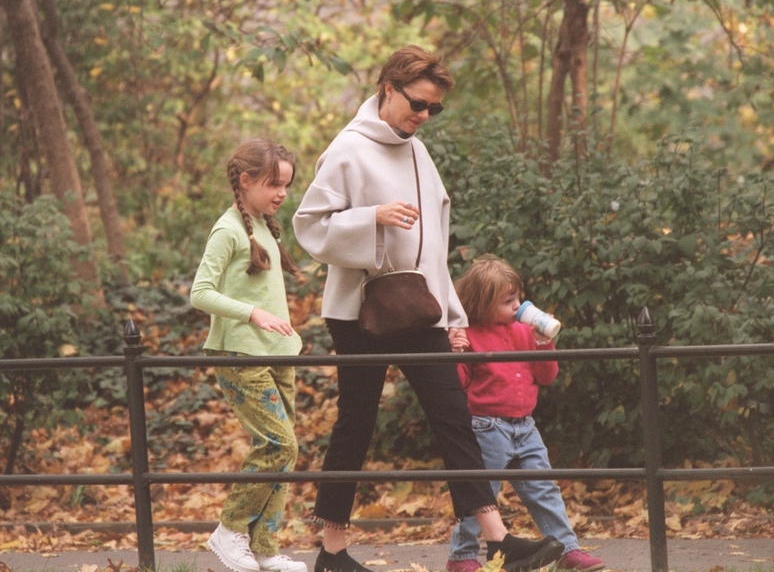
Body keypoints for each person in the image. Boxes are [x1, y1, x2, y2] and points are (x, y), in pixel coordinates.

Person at [292, 45, 565, 572]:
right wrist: (371, 217)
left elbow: (433, 246)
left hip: (421, 311)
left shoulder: (418, 151)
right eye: (417, 104)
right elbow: (310, 226)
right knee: (356, 424)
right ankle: (331, 551)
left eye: (433, 109)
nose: (423, 116)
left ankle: (498, 540)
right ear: (388, 88)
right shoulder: (347, 150)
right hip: (360, 313)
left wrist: (454, 318)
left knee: (453, 416)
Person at [191, 138, 308, 572]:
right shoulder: (228, 229)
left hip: (278, 353)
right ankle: (230, 530)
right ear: (245, 181)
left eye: (286, 185)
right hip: (240, 352)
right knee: (278, 443)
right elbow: (200, 293)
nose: (281, 193)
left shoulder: (263, 223)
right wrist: (253, 313)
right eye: (273, 184)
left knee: (286, 451)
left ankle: (263, 547)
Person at [446, 255, 605, 572]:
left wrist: (544, 343)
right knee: (482, 493)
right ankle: (461, 556)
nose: (518, 305)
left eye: (517, 297)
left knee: (543, 488)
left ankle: (565, 551)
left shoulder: (522, 331)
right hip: (487, 426)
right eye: (509, 301)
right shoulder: (470, 335)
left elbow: (546, 376)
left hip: (525, 426)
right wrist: (455, 353)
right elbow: (460, 383)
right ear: (483, 304)